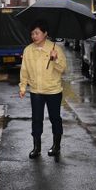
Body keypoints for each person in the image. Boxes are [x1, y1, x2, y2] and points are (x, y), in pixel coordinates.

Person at [19, 20, 67, 160]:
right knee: (36, 119)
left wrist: (55, 59)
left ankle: (56, 146)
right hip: (36, 91)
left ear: (45, 34)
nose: (34, 36)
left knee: (55, 118)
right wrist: (23, 87)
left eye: (37, 33)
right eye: (32, 33)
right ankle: (36, 148)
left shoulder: (55, 49)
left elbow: (63, 70)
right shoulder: (28, 50)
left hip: (53, 91)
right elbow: (24, 70)